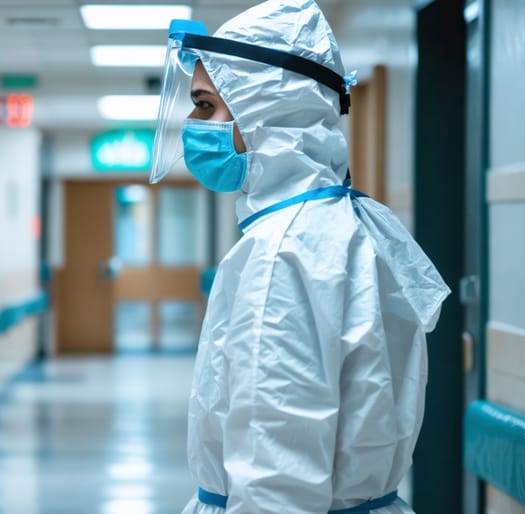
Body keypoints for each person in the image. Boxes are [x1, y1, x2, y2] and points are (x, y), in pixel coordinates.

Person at [148, 1, 451, 513]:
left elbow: (275, 477)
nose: (193, 124)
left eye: (205, 105)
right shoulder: (344, 226)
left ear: (266, 111)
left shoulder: (281, 255)